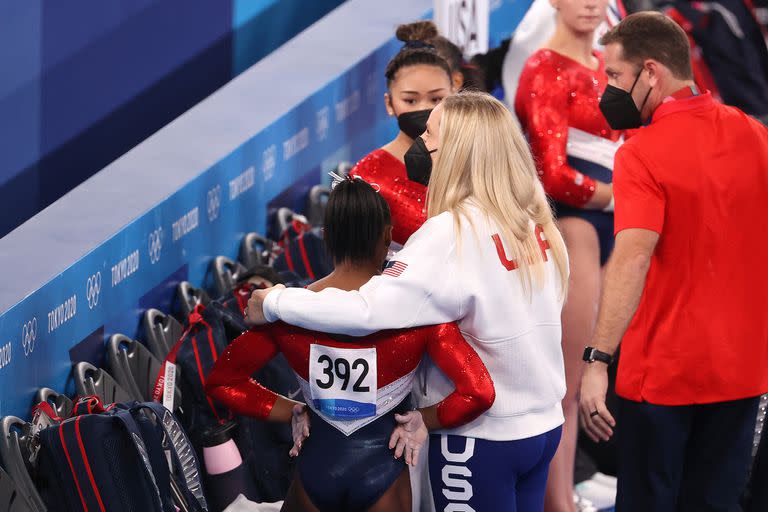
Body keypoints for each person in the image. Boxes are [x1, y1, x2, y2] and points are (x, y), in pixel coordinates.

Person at [246, 91, 571, 512]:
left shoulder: (449, 233)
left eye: (429, 135)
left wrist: (275, 302)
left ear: (453, 151)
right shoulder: (533, 221)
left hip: (481, 440)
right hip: (542, 430)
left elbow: (365, 310)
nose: (418, 148)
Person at [206, 177, 494, 512]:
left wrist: (292, 410)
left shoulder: (289, 313)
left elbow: (222, 382)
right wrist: (424, 419)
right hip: (384, 473)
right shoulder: (418, 317)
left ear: (326, 238)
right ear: (387, 237)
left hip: (315, 471)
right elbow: (479, 392)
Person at [578, 11, 768, 512]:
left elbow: (632, 258)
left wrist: (597, 359)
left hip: (662, 376)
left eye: (614, 77)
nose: (607, 91)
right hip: (743, 370)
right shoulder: (753, 133)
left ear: (651, 73)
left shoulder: (640, 153)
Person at [514, 0, 623, 510]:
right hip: (574, 223)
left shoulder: (611, 65)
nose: (587, 3)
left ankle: (572, 486)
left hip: (618, 224)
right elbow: (551, 173)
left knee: (601, 374)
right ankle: (556, 502)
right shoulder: (543, 67)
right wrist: (615, 195)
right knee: (568, 379)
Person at [350, 21, 454, 247]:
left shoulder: (478, 158)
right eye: (410, 100)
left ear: (455, 96)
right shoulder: (367, 176)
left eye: (436, 99)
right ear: (389, 103)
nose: (423, 109)